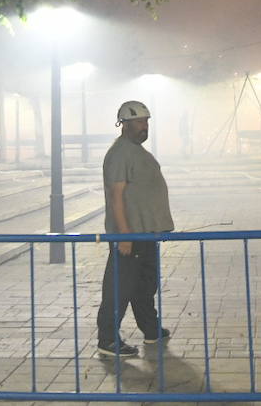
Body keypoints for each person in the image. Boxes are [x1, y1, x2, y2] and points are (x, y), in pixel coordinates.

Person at [96, 100, 174, 358]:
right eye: (140, 122)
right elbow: (116, 196)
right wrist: (125, 235)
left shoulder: (135, 151)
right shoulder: (120, 153)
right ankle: (107, 340)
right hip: (130, 235)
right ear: (125, 125)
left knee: (144, 285)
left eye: (147, 122)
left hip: (145, 233)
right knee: (120, 288)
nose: (145, 127)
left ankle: (151, 330)